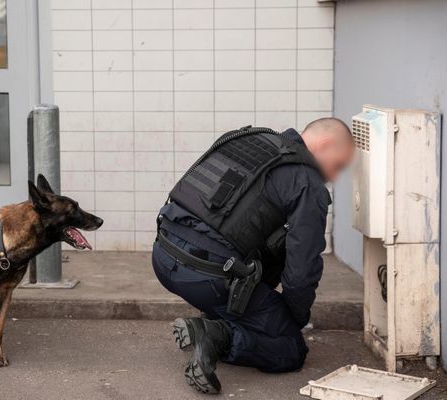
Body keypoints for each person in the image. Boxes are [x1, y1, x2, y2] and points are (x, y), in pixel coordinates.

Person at [152, 118, 355, 394]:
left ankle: (215, 320)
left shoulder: (247, 139)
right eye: (339, 165)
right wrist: (291, 320)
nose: (334, 177)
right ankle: (217, 335)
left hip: (163, 255)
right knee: (290, 348)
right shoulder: (307, 182)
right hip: (209, 276)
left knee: (265, 253)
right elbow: (301, 271)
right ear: (326, 144)